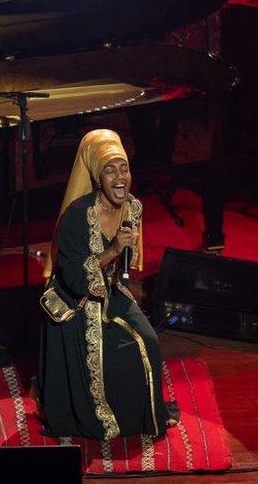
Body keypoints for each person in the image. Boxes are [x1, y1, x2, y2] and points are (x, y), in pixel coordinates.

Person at [38, 129, 172, 440]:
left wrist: (122, 259)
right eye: (110, 170)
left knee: (149, 341)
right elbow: (71, 276)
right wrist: (111, 250)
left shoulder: (134, 207)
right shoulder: (77, 216)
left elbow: (127, 262)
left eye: (123, 168)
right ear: (98, 177)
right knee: (118, 349)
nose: (119, 177)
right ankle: (106, 418)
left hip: (110, 291)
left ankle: (141, 417)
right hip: (78, 299)